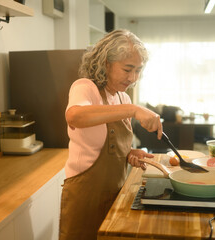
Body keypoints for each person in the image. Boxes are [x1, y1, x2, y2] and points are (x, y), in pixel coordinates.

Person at [59, 29, 163, 240]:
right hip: (84, 196)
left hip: (116, 193)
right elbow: (75, 116)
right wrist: (133, 110)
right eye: (127, 69)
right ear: (106, 63)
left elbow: (109, 145)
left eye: (138, 70)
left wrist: (129, 152)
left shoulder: (122, 98)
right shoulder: (85, 87)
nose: (133, 78)